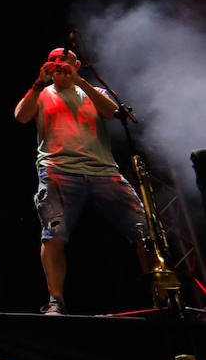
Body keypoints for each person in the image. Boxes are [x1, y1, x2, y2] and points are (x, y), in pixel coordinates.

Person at [13, 47, 148, 315]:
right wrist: (38, 83)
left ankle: (162, 298)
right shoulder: (41, 93)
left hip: (104, 171)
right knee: (54, 235)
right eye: (52, 61)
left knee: (145, 231)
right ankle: (56, 301)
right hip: (57, 171)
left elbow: (112, 113)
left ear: (76, 64)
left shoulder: (93, 91)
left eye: (64, 60)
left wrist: (80, 81)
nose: (57, 65)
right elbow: (21, 116)